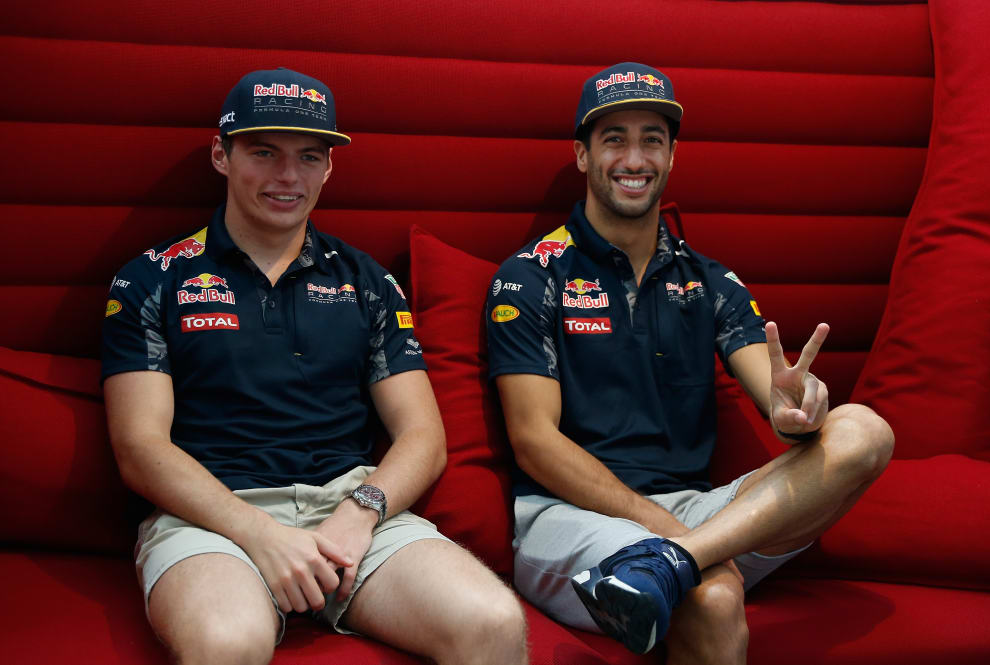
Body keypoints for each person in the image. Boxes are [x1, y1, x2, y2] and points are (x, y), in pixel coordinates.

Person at [102, 67, 527, 665]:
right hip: (212, 518)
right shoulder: (153, 278)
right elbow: (139, 447)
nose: (287, 176)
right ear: (221, 154)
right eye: (264, 152)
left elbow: (424, 437)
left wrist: (361, 512)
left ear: (329, 168)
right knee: (227, 643)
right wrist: (260, 534)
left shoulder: (369, 283)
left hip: (352, 508)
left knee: (494, 623)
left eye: (308, 156)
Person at [485, 62, 894, 663]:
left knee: (865, 432)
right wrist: (667, 531)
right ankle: (678, 560)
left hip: (695, 513)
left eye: (652, 139)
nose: (634, 158)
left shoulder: (711, 281)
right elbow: (533, 443)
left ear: (672, 156)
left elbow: (776, 398)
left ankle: (671, 564)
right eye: (614, 139)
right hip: (566, 516)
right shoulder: (530, 275)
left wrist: (794, 408)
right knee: (713, 597)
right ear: (581, 155)